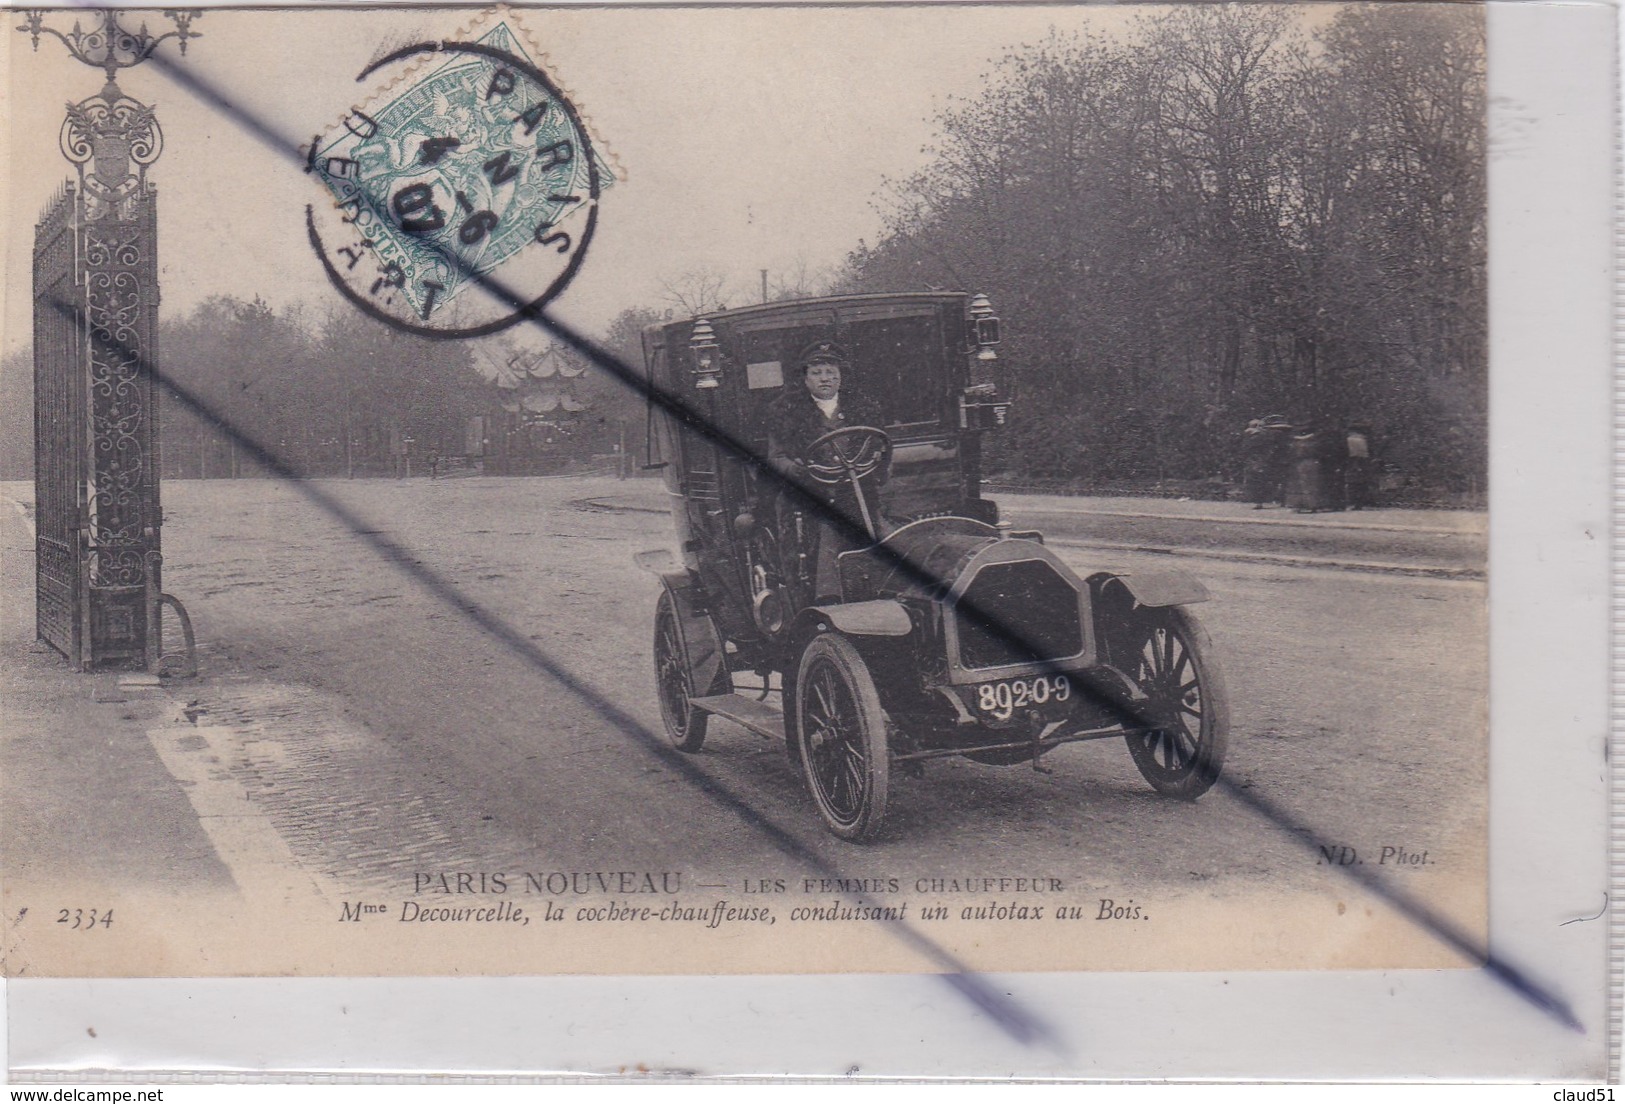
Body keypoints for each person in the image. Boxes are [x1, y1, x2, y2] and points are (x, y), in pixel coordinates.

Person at [765, 341, 887, 601]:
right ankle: (820, 598)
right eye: (817, 372)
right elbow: (776, 458)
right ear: (805, 378)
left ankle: (877, 591)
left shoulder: (862, 407)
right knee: (816, 542)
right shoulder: (786, 412)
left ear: (841, 376)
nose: (825, 379)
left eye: (831, 372)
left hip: (856, 490)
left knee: (877, 533)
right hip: (809, 493)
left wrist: (877, 461)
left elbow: (880, 448)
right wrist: (800, 473)